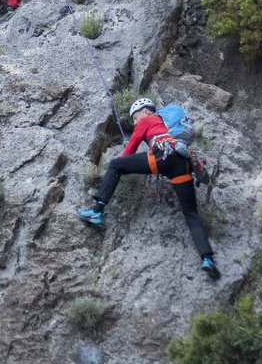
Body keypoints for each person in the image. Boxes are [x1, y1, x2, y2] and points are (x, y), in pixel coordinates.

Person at [76, 97, 221, 280]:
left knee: (114, 165)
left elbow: (130, 150)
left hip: (162, 156)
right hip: (181, 162)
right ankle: (208, 259)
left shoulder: (147, 120)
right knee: (191, 214)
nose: (136, 122)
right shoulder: (166, 126)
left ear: (146, 111)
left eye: (135, 117)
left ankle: (97, 211)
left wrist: (124, 160)